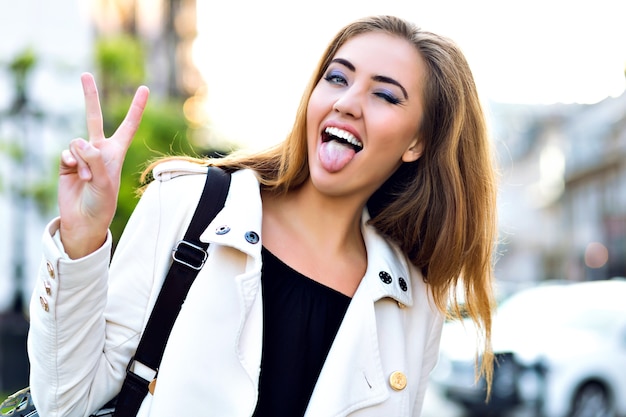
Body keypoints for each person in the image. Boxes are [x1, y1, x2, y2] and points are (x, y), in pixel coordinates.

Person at [28, 14, 498, 417]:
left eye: (386, 96)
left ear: (417, 143)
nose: (347, 102)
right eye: (337, 77)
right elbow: (66, 400)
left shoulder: (412, 304)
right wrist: (83, 238)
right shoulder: (188, 208)